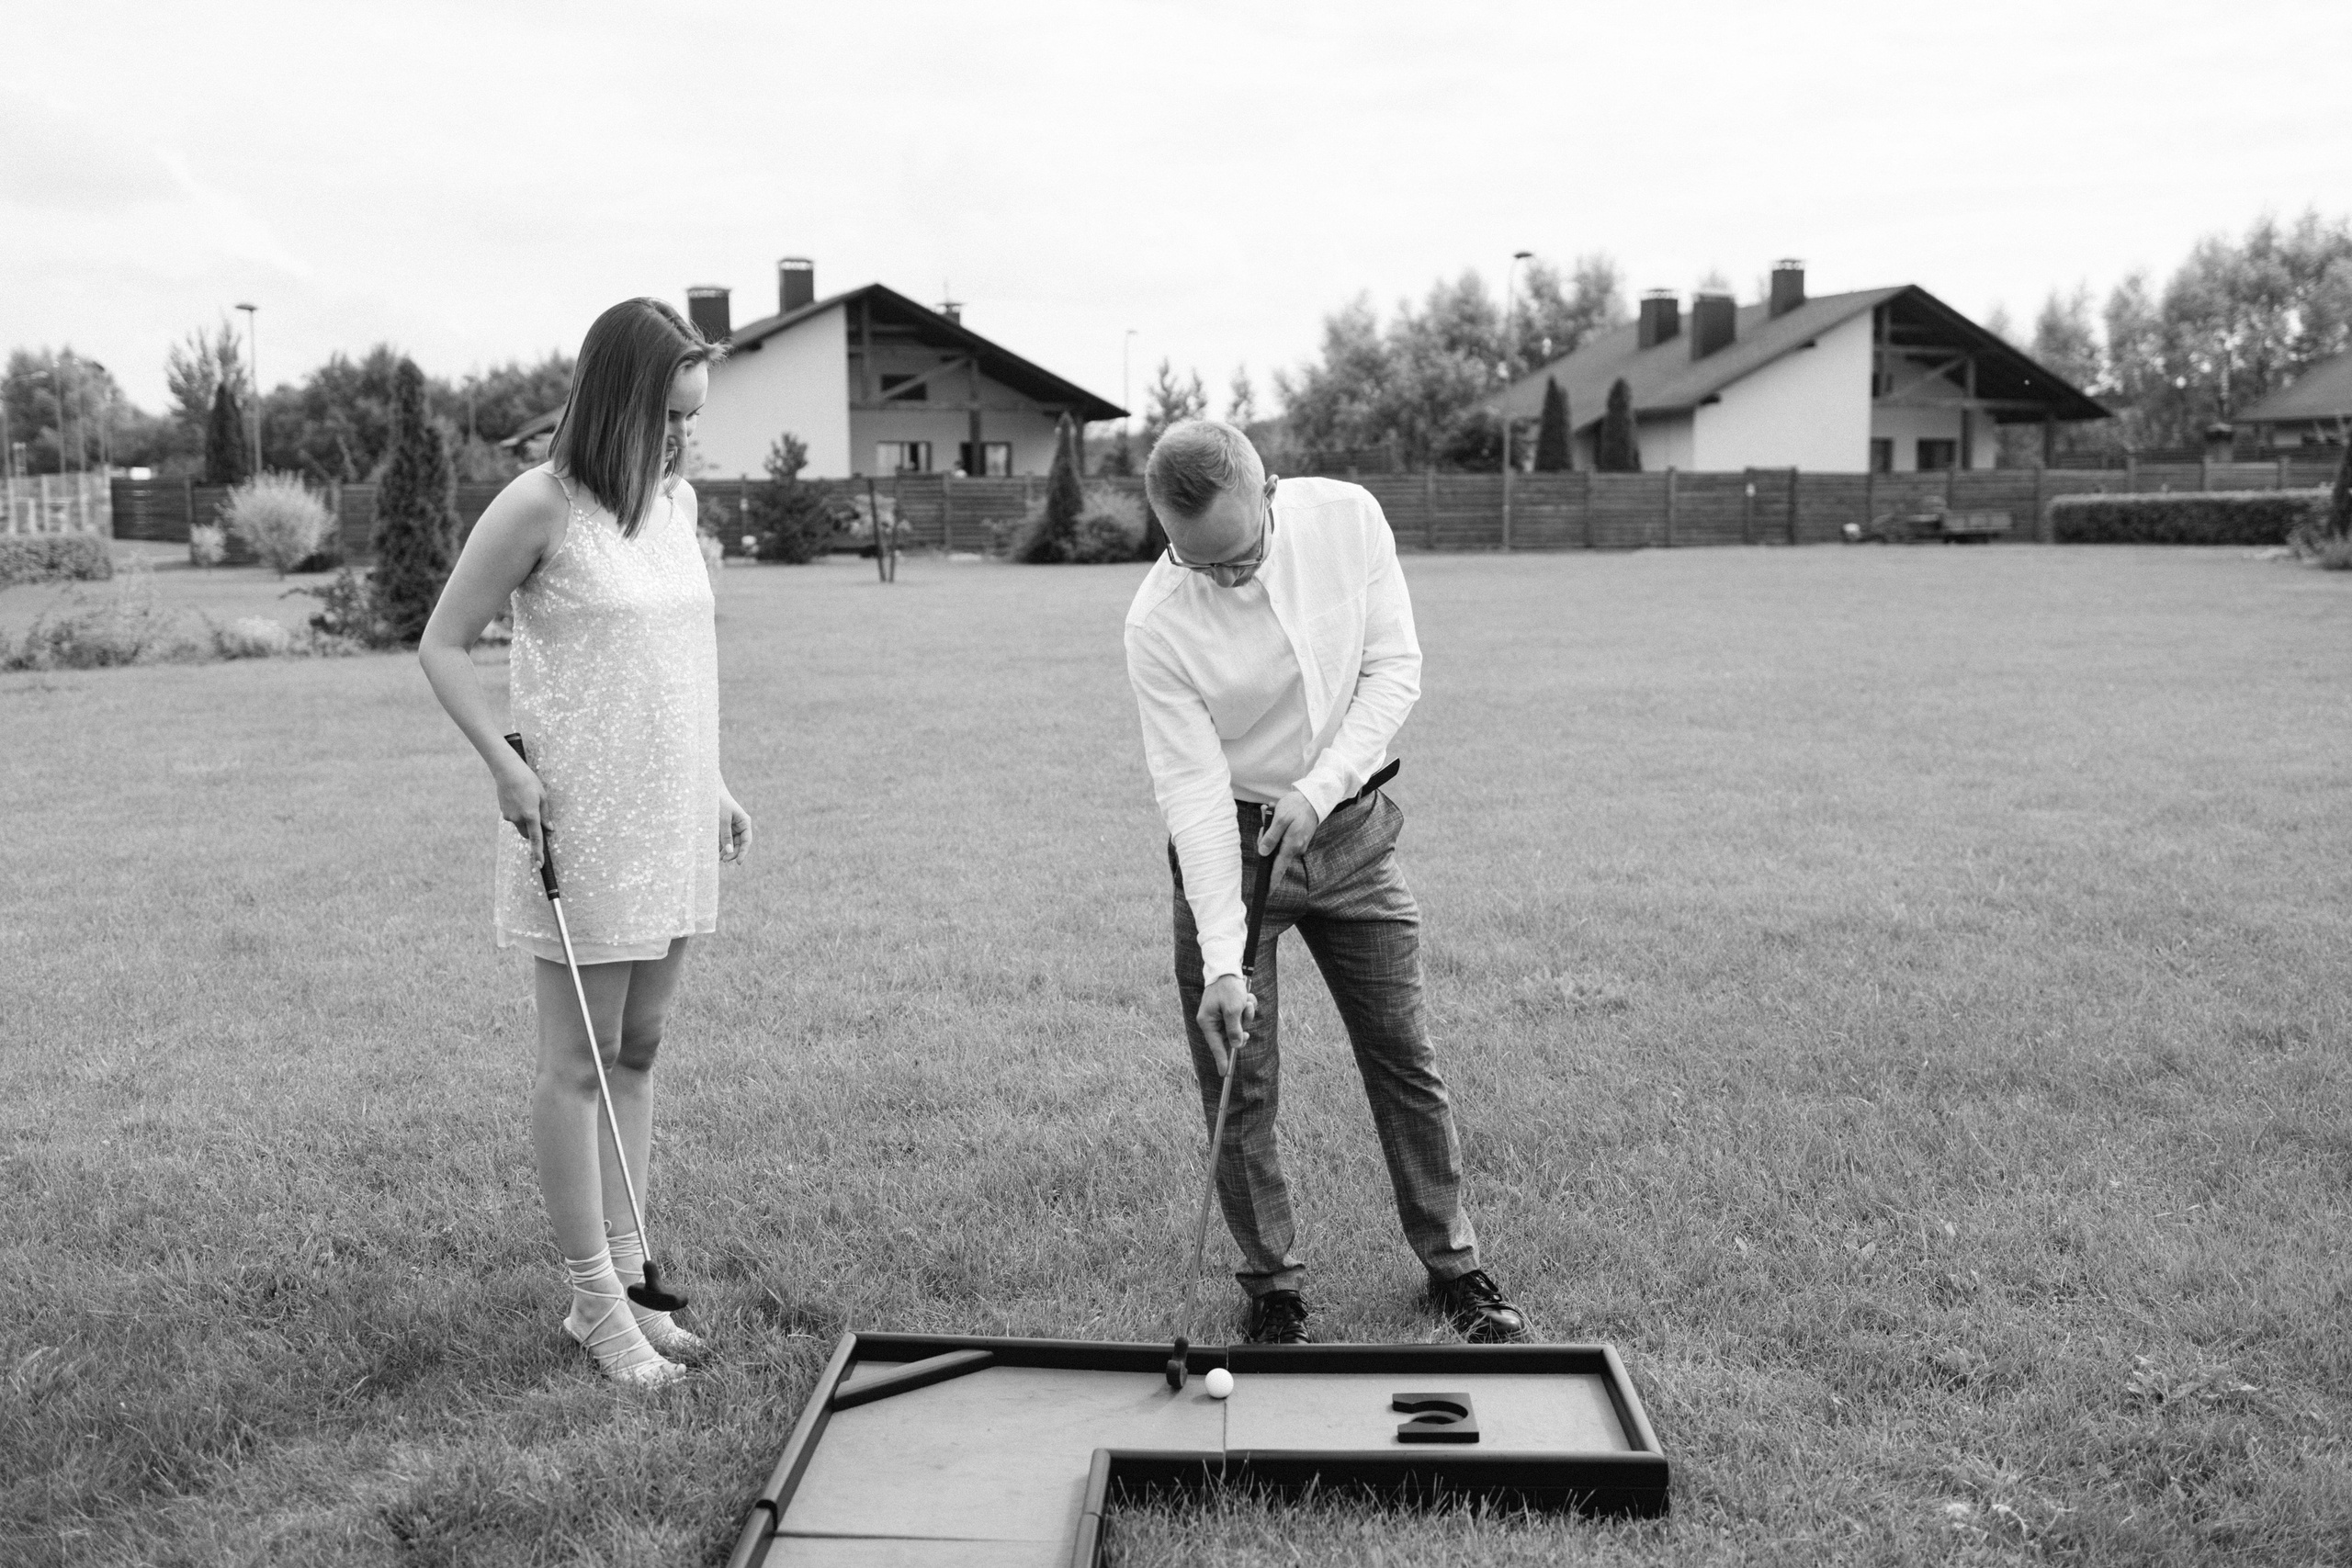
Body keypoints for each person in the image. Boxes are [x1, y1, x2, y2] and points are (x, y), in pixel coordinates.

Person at [1123, 419, 1529, 1346]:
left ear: (1268, 492)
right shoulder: (1157, 621)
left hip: (1352, 834)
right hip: (1231, 837)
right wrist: (1224, 960)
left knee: (1402, 1055)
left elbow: (1394, 669)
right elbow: (1189, 792)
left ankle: (1454, 1266)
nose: (1222, 578)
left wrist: (1320, 787)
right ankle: (1273, 1287)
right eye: (1197, 562)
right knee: (1239, 1075)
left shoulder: (1348, 520)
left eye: (1237, 556)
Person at [419, 298, 752, 1388]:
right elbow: (443, 644)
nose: (680, 440)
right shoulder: (539, 505)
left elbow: (673, 666)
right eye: (667, 416)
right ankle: (591, 1299)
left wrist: (711, 780)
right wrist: (507, 770)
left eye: (691, 421)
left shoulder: (675, 502)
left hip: (668, 818)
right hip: (582, 824)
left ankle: (630, 1275)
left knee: (640, 1053)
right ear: (617, 400)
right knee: (576, 1066)